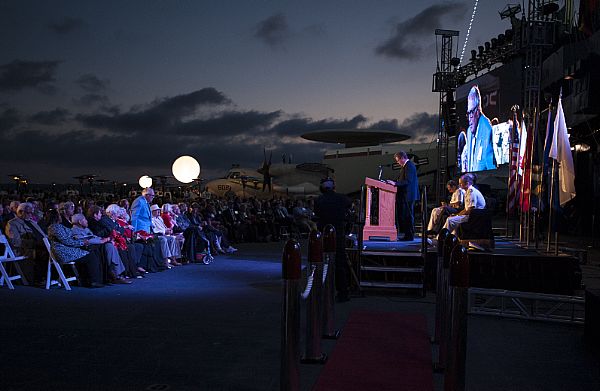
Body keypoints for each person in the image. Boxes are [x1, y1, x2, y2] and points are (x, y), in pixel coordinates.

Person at [314, 178, 352, 302]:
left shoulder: (319, 200)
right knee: (340, 264)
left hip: (324, 235)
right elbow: (348, 206)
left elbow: (317, 214)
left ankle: (323, 291)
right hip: (338, 235)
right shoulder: (342, 198)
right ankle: (343, 292)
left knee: (323, 263)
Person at [461, 85, 496, 172]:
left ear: (477, 111)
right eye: (468, 113)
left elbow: (491, 168)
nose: (469, 118)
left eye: (471, 113)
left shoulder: (487, 130)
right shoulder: (469, 131)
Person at [386, 151, 419, 241]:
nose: (397, 162)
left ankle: (409, 236)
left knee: (408, 216)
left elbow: (408, 181)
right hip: (406, 195)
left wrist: (395, 183)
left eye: (398, 160)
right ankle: (407, 235)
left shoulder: (409, 166)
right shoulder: (406, 166)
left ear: (402, 158)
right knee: (407, 215)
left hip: (408, 195)